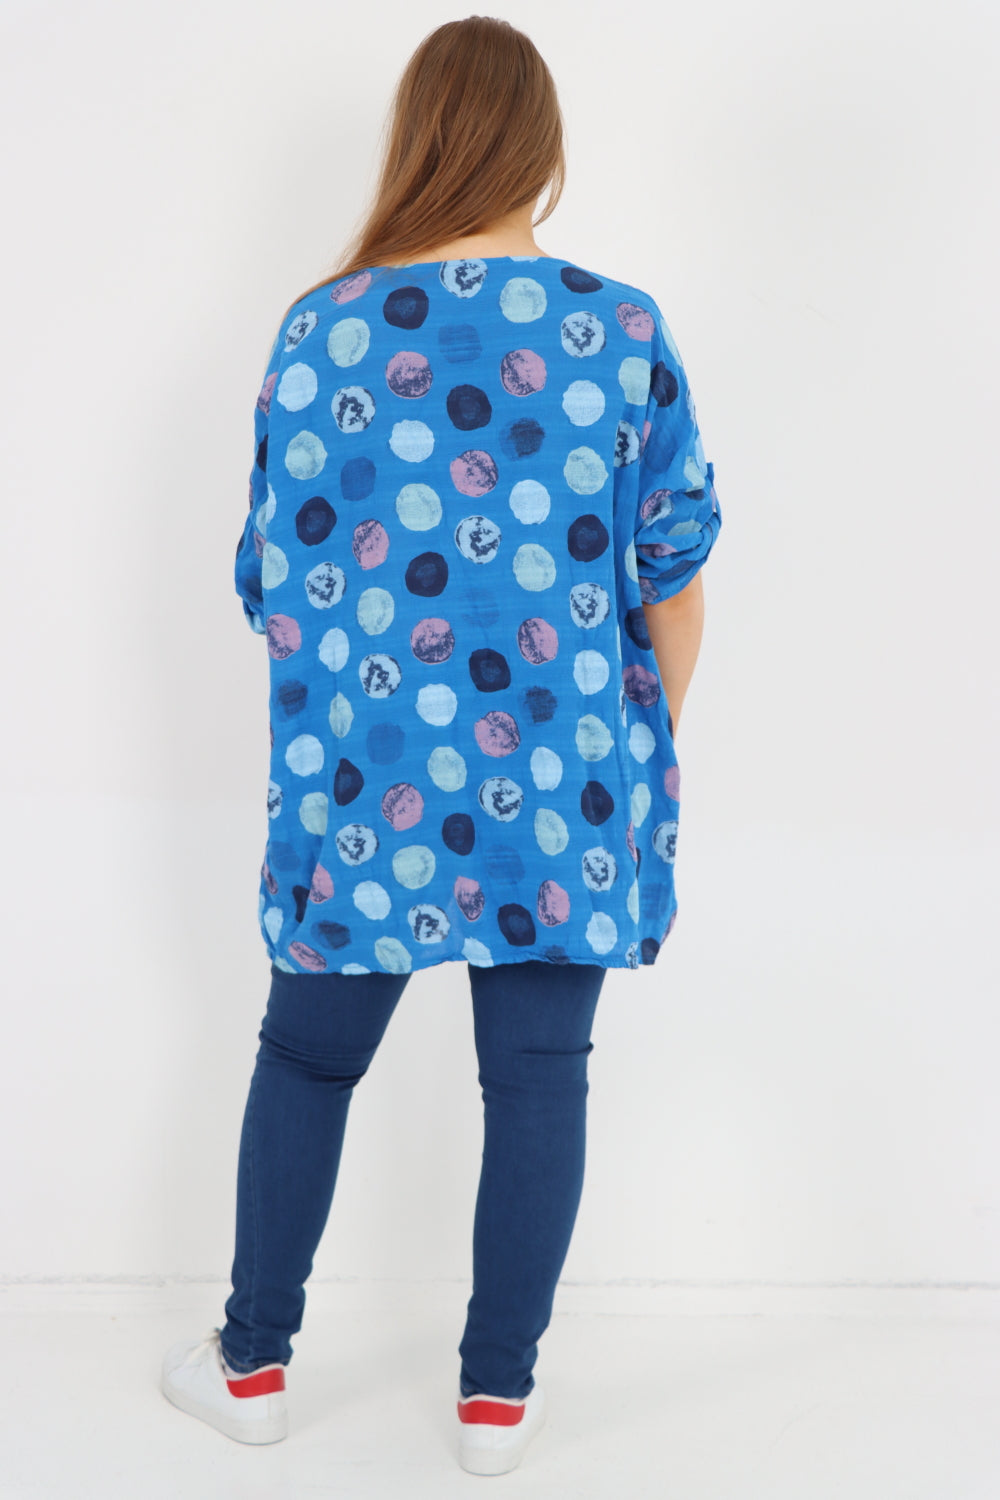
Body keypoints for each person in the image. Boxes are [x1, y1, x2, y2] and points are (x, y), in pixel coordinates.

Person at [160, 13, 722, 1476]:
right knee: (540, 1077)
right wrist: (630, 739)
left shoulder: (320, 332)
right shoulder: (621, 332)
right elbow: (674, 573)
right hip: (564, 784)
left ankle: (252, 1365)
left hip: (369, 787)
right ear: (543, 150)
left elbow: (266, 583)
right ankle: (495, 1404)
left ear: (416, 141)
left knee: (306, 1060)